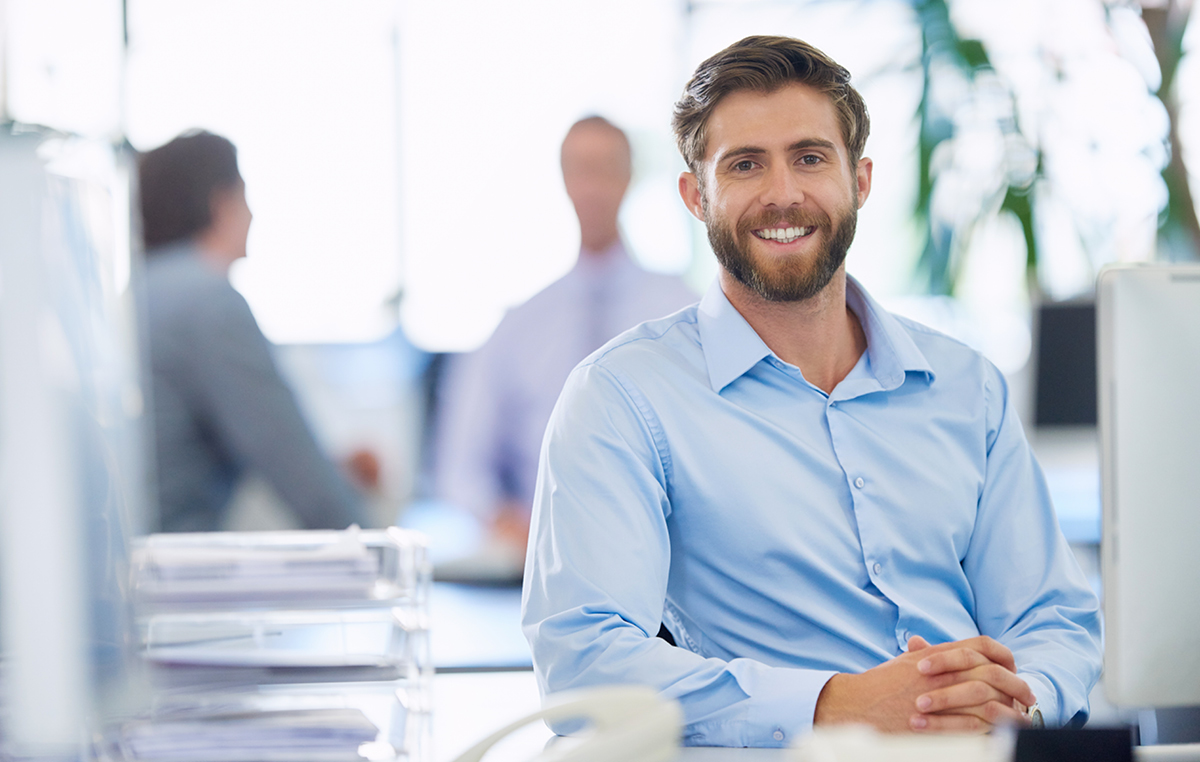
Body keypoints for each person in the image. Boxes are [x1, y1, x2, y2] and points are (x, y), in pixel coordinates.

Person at [522, 36, 1102, 746]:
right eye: (744, 165)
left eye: (810, 157)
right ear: (694, 197)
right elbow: (584, 666)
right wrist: (837, 705)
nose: (784, 194)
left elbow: (1053, 619)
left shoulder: (965, 386)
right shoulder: (621, 397)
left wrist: (1018, 702)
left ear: (859, 180)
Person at [432, 116, 696, 580]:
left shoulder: (684, 310)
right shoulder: (518, 325)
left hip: (664, 561)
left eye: (605, 168)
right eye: (580, 169)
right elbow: (460, 466)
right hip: (539, 562)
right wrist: (502, 519)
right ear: (564, 180)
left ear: (629, 177)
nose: (592, 186)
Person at [139, 130, 372, 532]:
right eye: (244, 197)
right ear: (221, 204)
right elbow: (302, 477)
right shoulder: (208, 303)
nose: (253, 215)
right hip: (175, 574)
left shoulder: (139, 291)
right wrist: (378, 555)